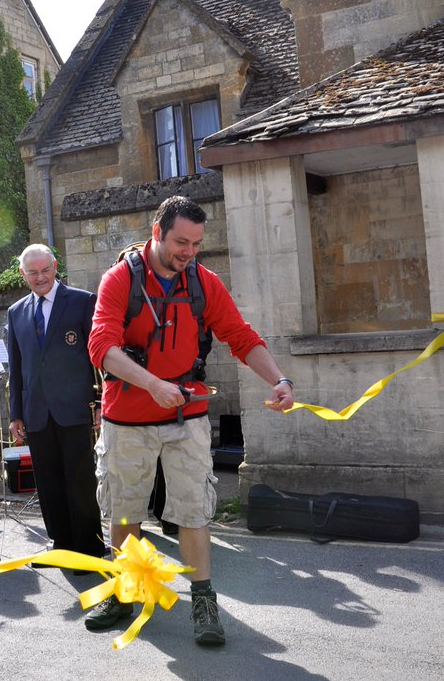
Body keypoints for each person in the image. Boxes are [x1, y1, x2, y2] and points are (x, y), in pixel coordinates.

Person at [86, 195, 295, 647]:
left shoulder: (204, 281)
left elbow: (240, 336)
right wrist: (152, 385)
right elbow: (102, 347)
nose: (189, 252)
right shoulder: (120, 279)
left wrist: (278, 379)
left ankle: (203, 601)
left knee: (193, 510)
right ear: (157, 232)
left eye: (197, 244)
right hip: (127, 416)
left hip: (188, 414)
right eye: (182, 242)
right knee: (124, 509)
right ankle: (124, 592)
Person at [6, 244, 104, 562]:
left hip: (75, 409)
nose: (40, 277)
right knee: (47, 481)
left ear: (55, 267)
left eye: (45, 270)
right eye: (32, 272)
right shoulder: (16, 311)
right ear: (23, 274)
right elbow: (17, 367)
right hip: (35, 412)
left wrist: (101, 403)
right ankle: (60, 543)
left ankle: (89, 546)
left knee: (80, 479)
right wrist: (15, 414)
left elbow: (97, 359)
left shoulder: (81, 301)